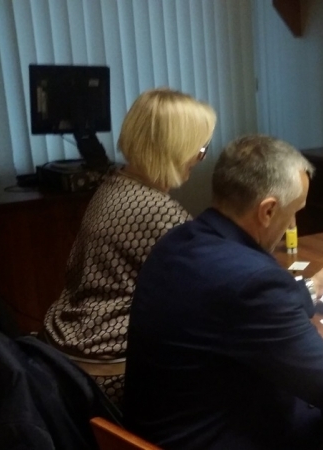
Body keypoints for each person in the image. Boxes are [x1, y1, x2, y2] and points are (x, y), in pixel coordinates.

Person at [123, 135, 323, 449]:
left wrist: (311, 288)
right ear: (267, 211)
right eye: (294, 211)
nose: (292, 223)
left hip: (164, 431)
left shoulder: (176, 242)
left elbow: (231, 312)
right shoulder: (254, 280)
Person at [42, 88, 217, 405]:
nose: (200, 158)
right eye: (200, 148)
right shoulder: (157, 211)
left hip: (67, 345)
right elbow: (212, 288)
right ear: (176, 148)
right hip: (109, 365)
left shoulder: (115, 183)